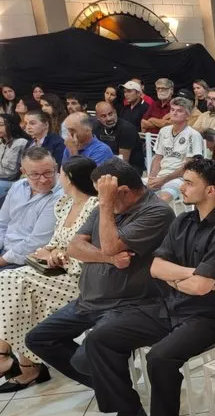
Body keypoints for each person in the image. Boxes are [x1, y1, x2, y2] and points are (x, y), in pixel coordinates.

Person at [68, 157, 215, 416]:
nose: (182, 187)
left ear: (211, 190)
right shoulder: (183, 221)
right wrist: (189, 276)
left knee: (160, 358)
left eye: (189, 182)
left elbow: (202, 288)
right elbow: (156, 268)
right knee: (101, 338)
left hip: (209, 315)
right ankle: (129, 413)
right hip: (170, 305)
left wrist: (182, 278)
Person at [25, 159, 175, 396]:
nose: (99, 199)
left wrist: (105, 205)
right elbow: (74, 247)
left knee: (85, 359)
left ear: (122, 191)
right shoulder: (104, 208)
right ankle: (111, 388)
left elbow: (110, 245)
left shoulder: (157, 212)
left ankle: (117, 393)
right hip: (89, 300)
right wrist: (110, 259)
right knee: (38, 339)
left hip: (128, 304)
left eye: (103, 194)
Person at [0, 157, 98, 392]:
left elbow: (91, 249)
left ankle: (7, 356)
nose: (56, 179)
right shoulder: (64, 204)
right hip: (56, 271)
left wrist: (59, 255)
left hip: (80, 276)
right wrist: (52, 252)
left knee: (9, 280)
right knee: (17, 289)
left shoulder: (94, 206)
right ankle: (22, 362)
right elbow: (53, 243)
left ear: (69, 178)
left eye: (58, 173)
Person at [0, 147, 62, 268]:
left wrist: (2, 260)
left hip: (28, 260)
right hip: (5, 249)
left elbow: (37, 241)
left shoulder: (60, 196)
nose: (43, 180)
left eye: (48, 172)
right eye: (35, 174)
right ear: (23, 172)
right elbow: (2, 223)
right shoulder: (18, 186)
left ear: (55, 167)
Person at [147, 97, 206, 202]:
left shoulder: (193, 135)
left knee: (163, 199)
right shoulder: (164, 131)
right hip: (160, 175)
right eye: (172, 110)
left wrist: (163, 180)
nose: (174, 113)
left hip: (181, 178)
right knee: (129, 192)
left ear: (187, 116)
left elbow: (188, 166)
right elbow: (158, 158)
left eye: (179, 111)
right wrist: (152, 178)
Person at [94, 100, 141, 174]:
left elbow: (123, 161)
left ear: (115, 112)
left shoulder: (126, 128)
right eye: (103, 116)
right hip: (104, 165)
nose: (109, 118)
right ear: (97, 117)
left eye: (110, 114)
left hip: (129, 168)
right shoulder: (95, 127)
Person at [0, 113, 28, 204]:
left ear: (11, 125)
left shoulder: (20, 142)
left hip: (12, 181)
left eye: (1, 125)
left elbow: (11, 173)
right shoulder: (2, 142)